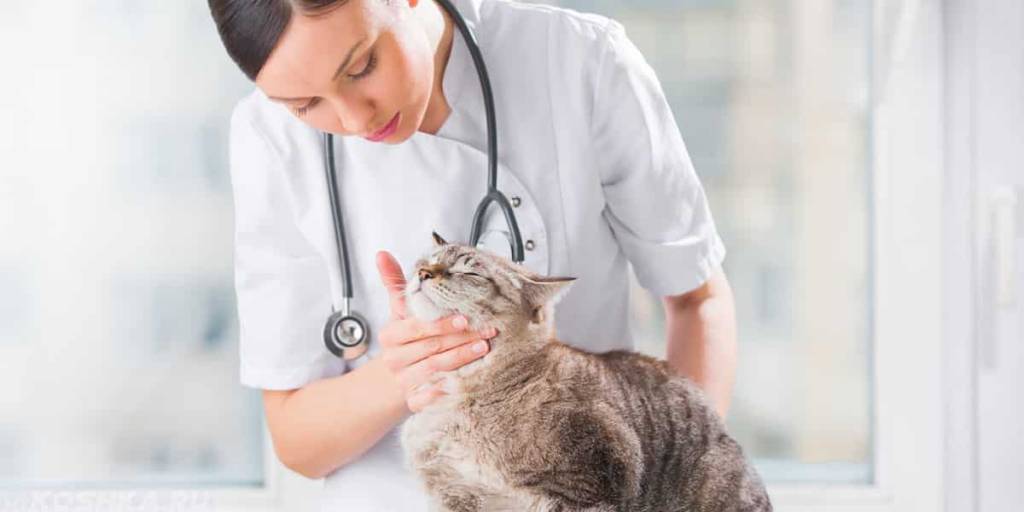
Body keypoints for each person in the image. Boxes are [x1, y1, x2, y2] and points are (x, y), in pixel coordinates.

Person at [208, 0, 738, 509]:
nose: (352, 119)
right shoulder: (267, 137)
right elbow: (297, 440)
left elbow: (696, 298)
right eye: (305, 105)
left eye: (363, 65)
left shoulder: (577, 60)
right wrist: (407, 370)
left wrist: (682, 483)